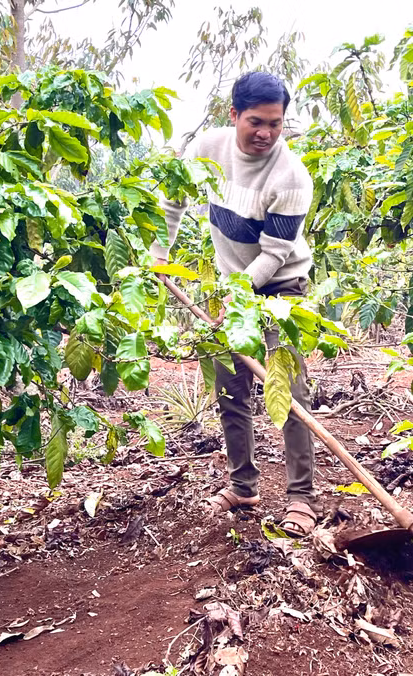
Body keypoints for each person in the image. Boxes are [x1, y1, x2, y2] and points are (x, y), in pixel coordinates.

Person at [151, 72, 318, 537]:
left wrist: (238, 297)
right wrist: (160, 253)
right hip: (232, 286)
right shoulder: (207, 149)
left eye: (276, 123)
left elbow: (275, 254)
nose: (266, 133)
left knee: (289, 392)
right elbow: (172, 201)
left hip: (282, 287)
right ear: (234, 116)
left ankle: (302, 498)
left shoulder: (291, 177)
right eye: (256, 122)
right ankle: (244, 485)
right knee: (231, 388)